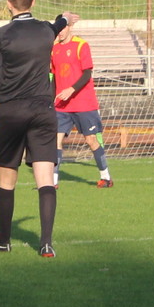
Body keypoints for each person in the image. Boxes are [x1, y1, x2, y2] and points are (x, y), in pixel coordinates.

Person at [0, 0, 76, 257]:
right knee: (45, 178)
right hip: (44, 112)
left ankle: (3, 240)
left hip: (11, 111)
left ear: (8, 4)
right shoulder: (45, 31)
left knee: (7, 180)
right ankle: (45, 244)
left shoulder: (0, 35)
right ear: (32, 2)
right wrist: (65, 18)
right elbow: (57, 25)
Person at [51, 20, 112, 187]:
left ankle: (105, 177)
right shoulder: (54, 49)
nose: (61, 32)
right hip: (61, 105)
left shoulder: (81, 45)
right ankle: (53, 182)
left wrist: (71, 89)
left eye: (63, 28)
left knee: (91, 140)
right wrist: (51, 100)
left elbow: (87, 74)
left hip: (83, 103)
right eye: (58, 29)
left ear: (69, 27)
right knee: (55, 140)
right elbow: (54, 78)